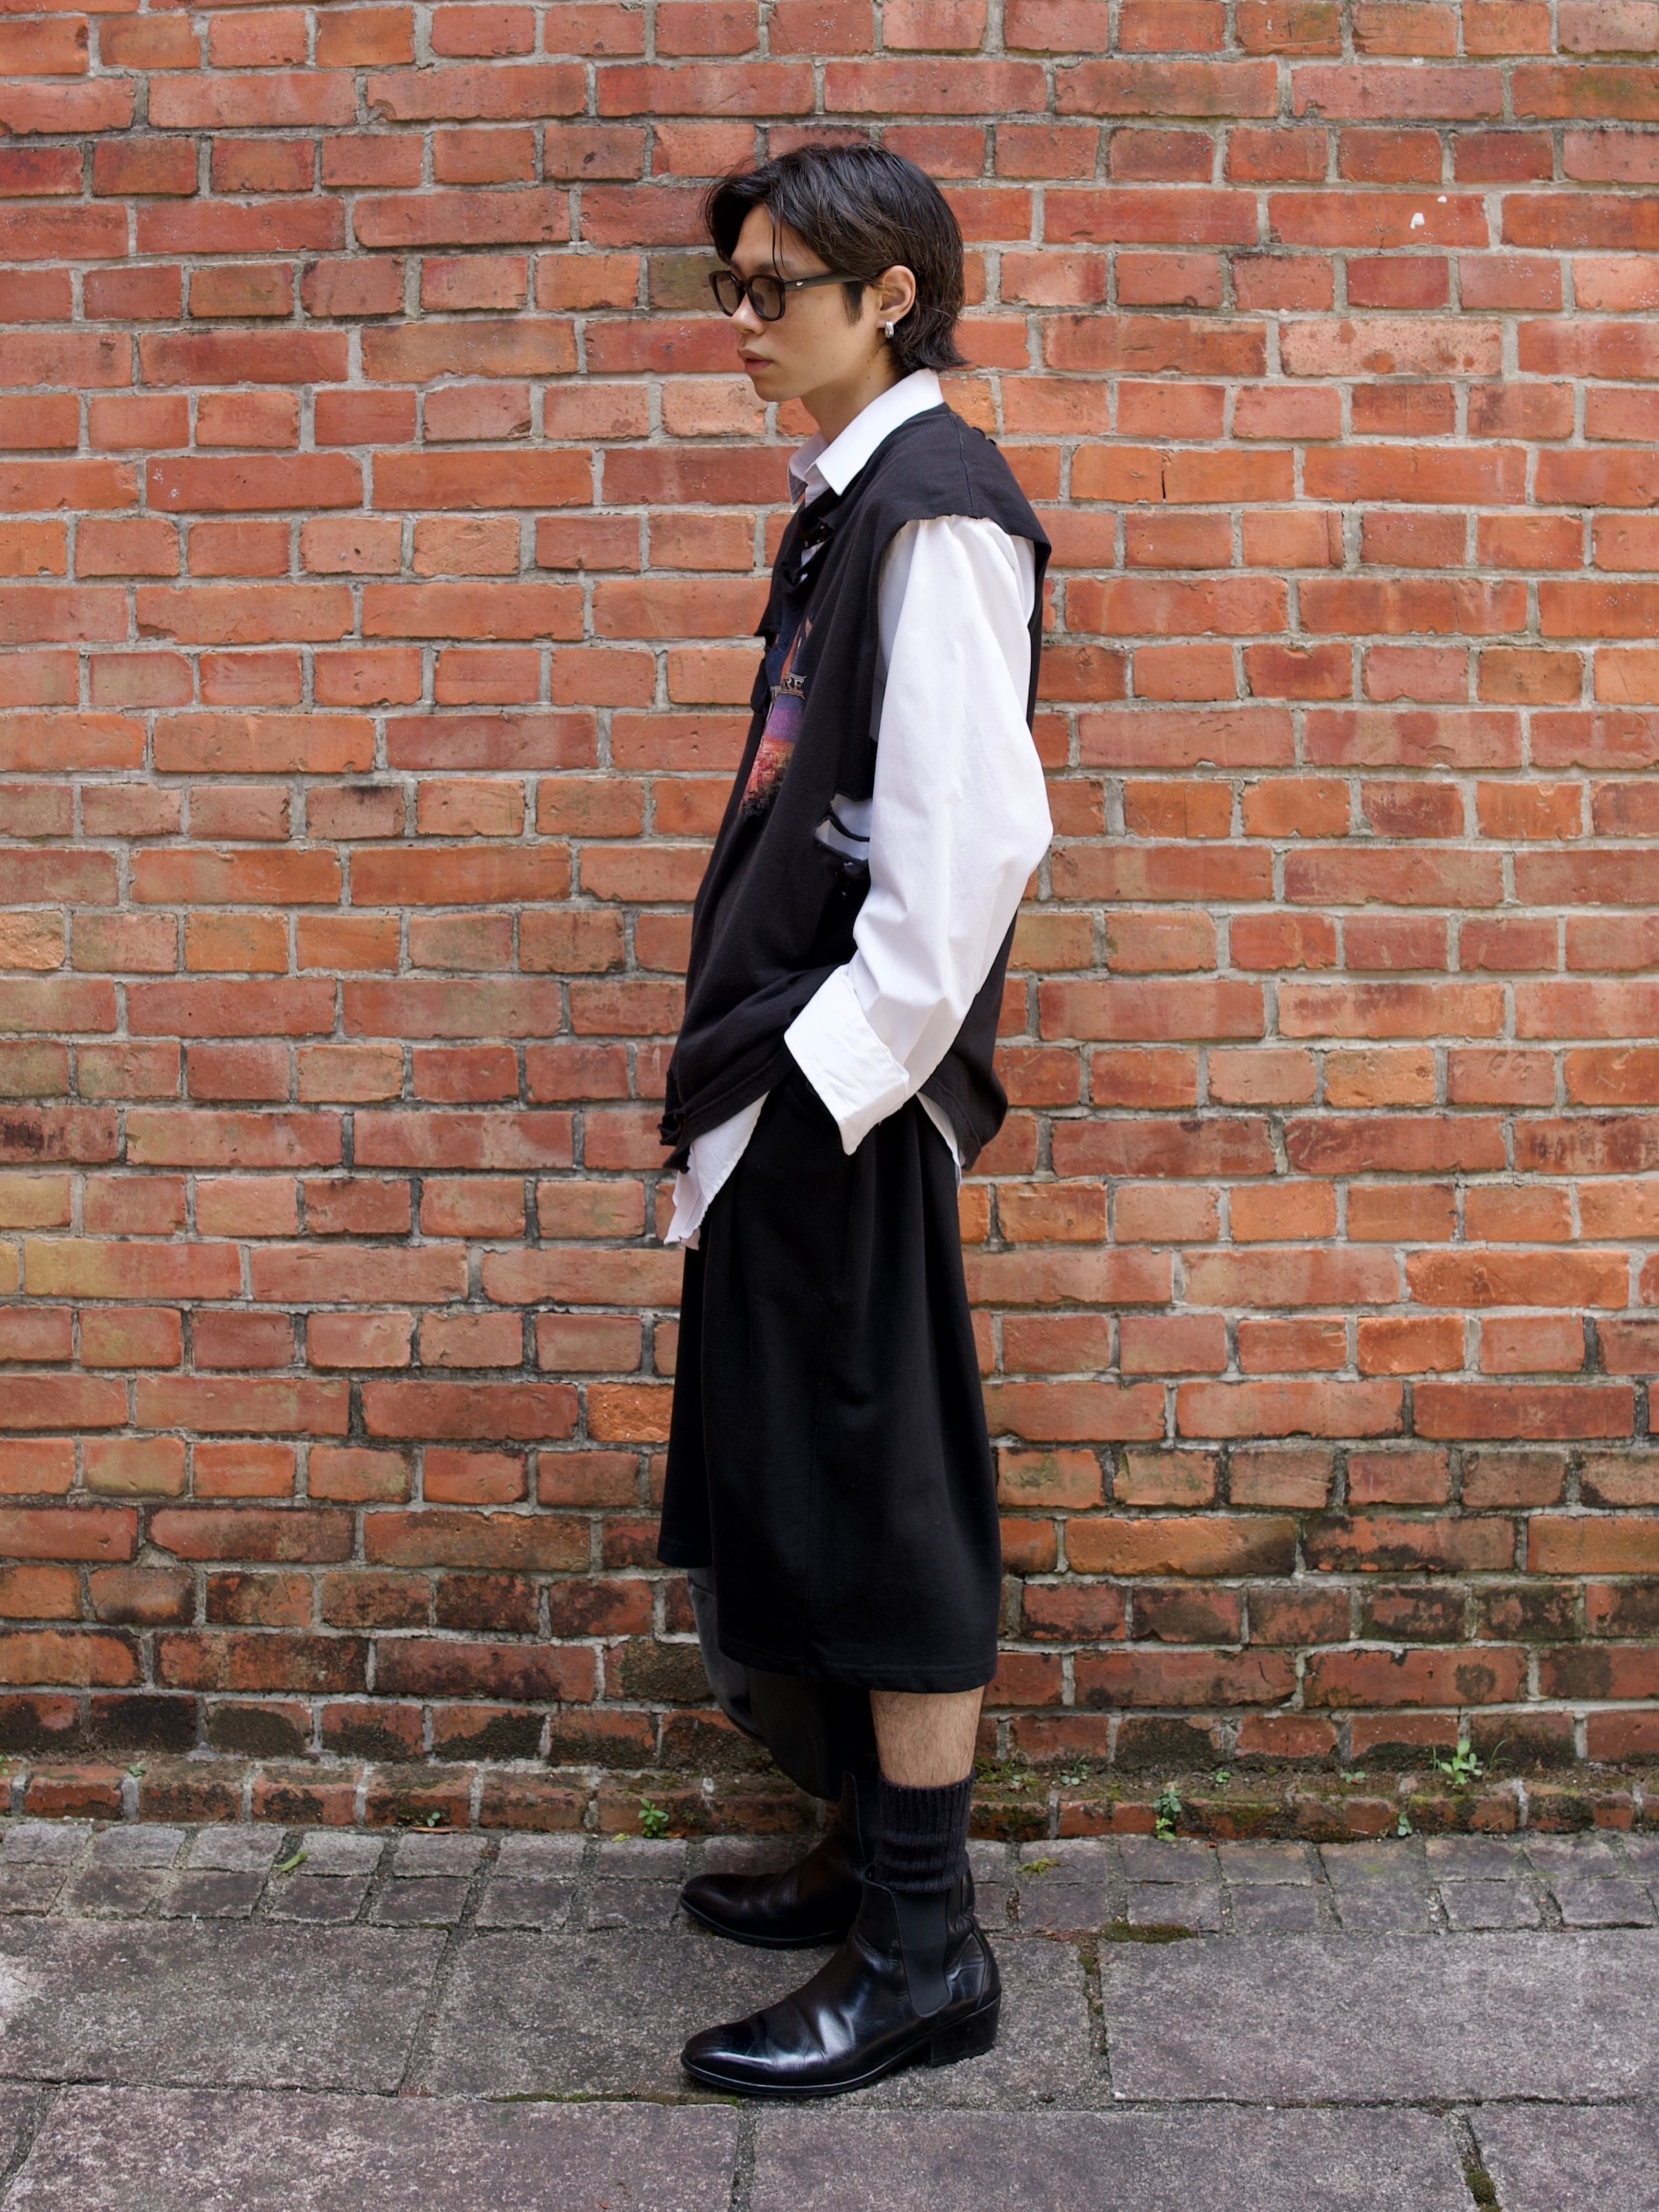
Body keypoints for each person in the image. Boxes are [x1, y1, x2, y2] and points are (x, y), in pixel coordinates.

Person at [654, 140, 1052, 2098]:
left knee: (889, 1502)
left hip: (848, 1093)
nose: (743, 322)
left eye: (778, 288)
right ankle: (857, 1856)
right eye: (728, 287)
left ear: (892, 298)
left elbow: (968, 852)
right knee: (801, 1479)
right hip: (797, 1077)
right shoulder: (847, 501)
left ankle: (921, 1950)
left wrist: (822, 1091)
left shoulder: (938, 511)